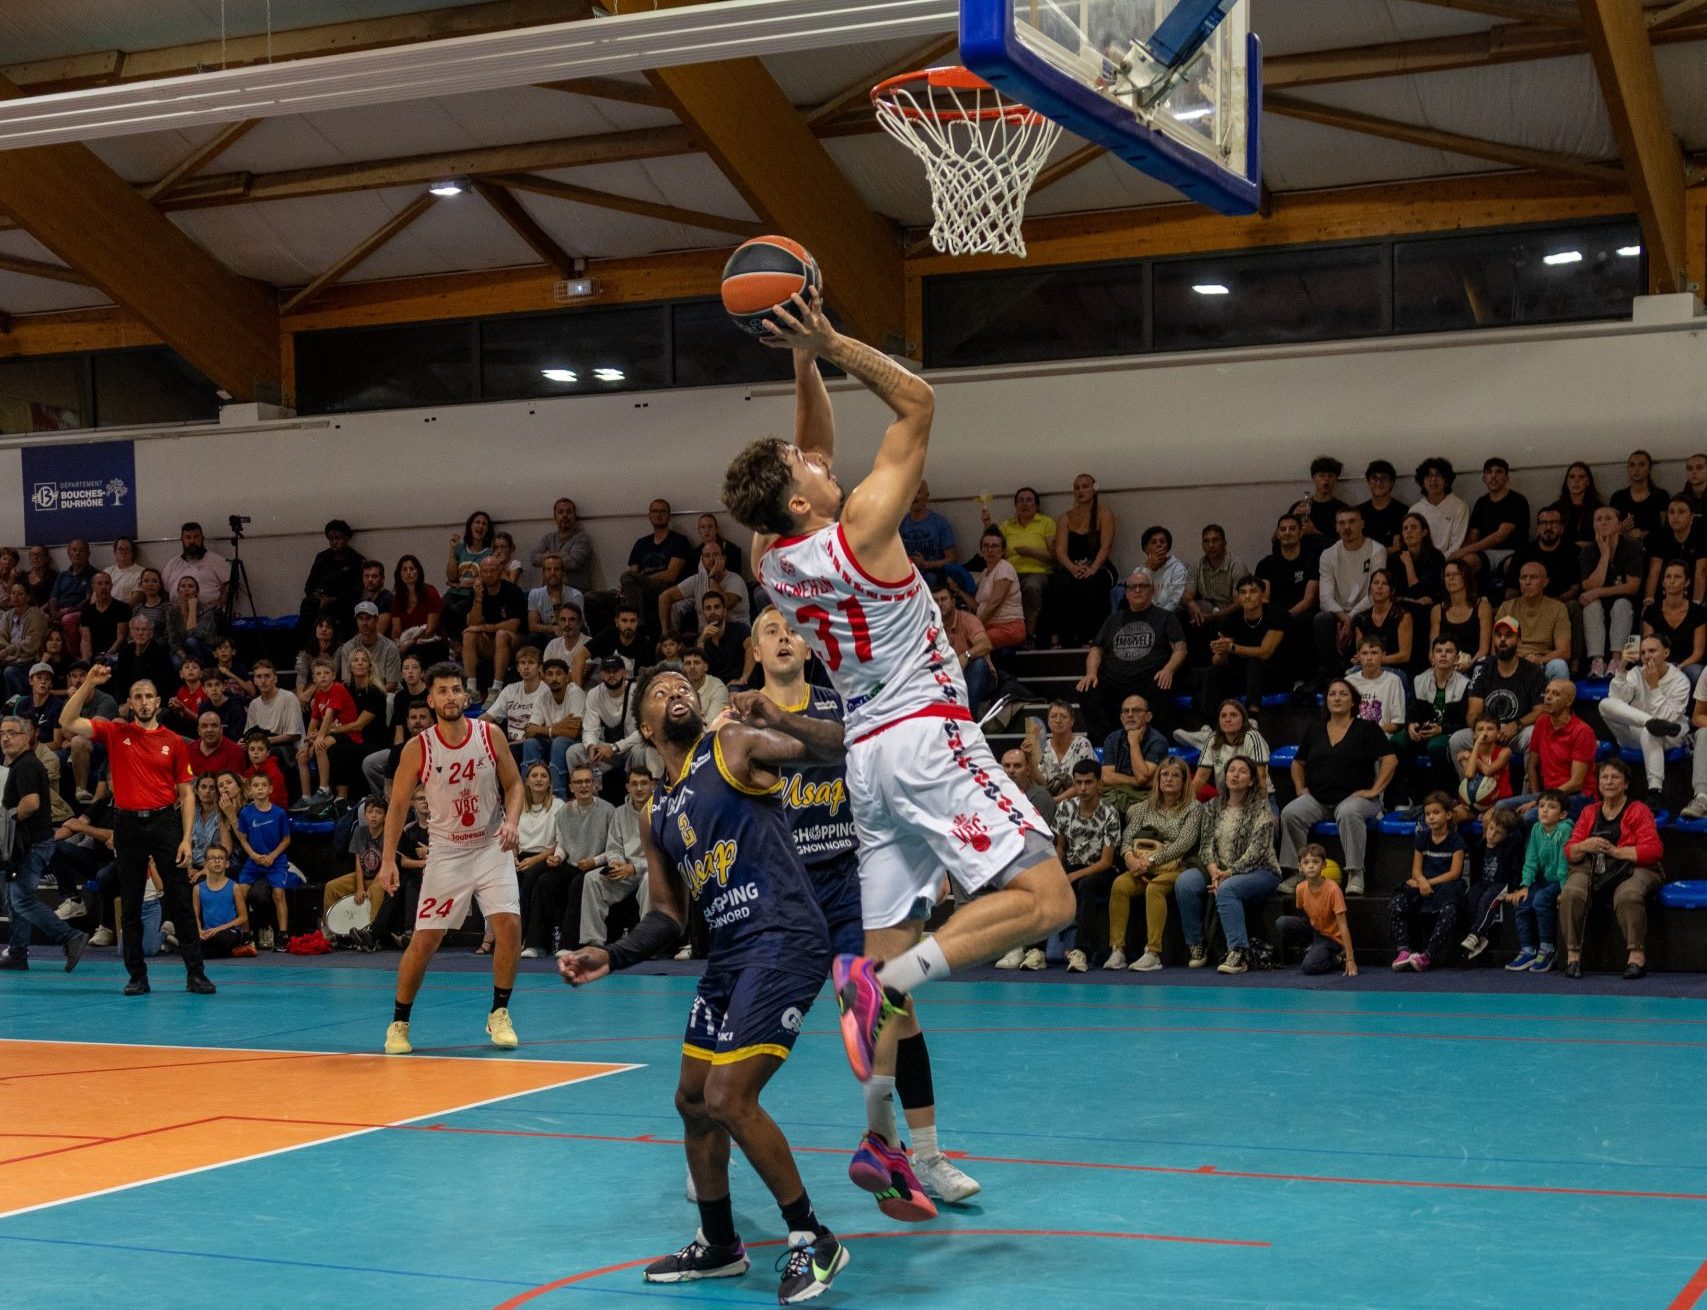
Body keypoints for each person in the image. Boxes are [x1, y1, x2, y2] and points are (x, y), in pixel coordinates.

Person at [728, 288, 1073, 1103]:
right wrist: (833, 340)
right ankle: (887, 983)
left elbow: (806, 446)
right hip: (926, 736)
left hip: (867, 762)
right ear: (803, 501)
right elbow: (918, 401)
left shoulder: (768, 563)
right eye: (809, 467)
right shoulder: (865, 532)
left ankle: (884, 1143)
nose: (821, 458)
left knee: (879, 950)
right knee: (1047, 898)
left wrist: (800, 358)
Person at [557, 664, 854, 1303]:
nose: (678, 693)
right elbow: (668, 917)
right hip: (727, 957)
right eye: (661, 692)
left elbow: (832, 748)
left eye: (684, 686)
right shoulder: (656, 813)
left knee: (726, 1097)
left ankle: (813, 1237)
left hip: (783, 940)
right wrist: (609, 955)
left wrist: (778, 717)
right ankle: (720, 1243)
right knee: (692, 1100)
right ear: (642, 726)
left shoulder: (733, 746)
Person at [377, 663, 524, 1053]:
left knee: (508, 924)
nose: (450, 697)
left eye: (456, 690)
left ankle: (499, 1013)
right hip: (447, 850)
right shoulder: (418, 748)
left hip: (492, 843)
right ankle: (399, 1022)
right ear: (431, 699)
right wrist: (388, 859)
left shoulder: (489, 735)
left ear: (466, 696)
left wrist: (512, 822)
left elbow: (514, 785)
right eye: (441, 691)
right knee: (426, 939)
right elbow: (396, 808)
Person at [58, 662, 214, 996]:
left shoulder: (173, 741)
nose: (144, 702)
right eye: (137, 697)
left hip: (165, 823)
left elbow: (186, 793)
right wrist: (88, 683)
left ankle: (196, 973)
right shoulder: (116, 733)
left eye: (149, 697)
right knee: (129, 903)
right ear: (130, 703)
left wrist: (187, 838)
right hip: (127, 823)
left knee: (180, 900)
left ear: (158, 702)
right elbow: (67, 721)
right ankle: (137, 976)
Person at [1278, 678, 1397, 896]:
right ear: (1327, 701)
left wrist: (1374, 790)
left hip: (1359, 798)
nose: (1337, 698)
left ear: (1353, 701)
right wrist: (1299, 788)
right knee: (1291, 812)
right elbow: (1297, 763)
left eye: (1343, 694)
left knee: (1348, 811)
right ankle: (1298, 872)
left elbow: (1390, 760)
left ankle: (1355, 873)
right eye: (1332, 694)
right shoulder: (1315, 730)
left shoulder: (1367, 728)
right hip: (1319, 798)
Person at [1559, 758, 1664, 980]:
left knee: (1628, 895)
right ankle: (1573, 957)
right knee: (1570, 893)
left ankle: (1636, 956)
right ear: (1598, 783)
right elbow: (1570, 850)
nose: (1609, 782)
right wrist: (1583, 845)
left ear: (1626, 784)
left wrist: (1616, 851)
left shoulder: (1638, 810)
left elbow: (1653, 850)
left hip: (1634, 866)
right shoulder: (1589, 812)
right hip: (1594, 865)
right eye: (1604, 777)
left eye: (1615, 778)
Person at [1175, 754, 1279, 974]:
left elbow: (1257, 852)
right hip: (1219, 868)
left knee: (1228, 889)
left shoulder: (1262, 809)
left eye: (1242, 771)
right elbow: (1205, 844)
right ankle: (1197, 945)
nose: (1235, 775)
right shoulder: (1212, 806)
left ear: (1251, 780)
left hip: (1260, 871)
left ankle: (1239, 953)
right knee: (1185, 882)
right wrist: (1213, 869)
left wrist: (1228, 874)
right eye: (1232, 770)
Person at [0, 715, 89, 972]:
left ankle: (69, 937)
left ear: (26, 737)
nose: (5, 738)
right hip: (26, 844)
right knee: (13, 896)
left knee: (21, 899)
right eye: (2, 733)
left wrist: (7, 817)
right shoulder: (20, 764)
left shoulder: (25, 766)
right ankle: (17, 952)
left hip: (32, 844)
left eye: (12, 733)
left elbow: (31, 804)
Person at [1103, 754, 1202, 971]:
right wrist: (1129, 858)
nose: (1169, 779)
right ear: (1157, 780)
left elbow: (1184, 843)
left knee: (1154, 889)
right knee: (1119, 885)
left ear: (1185, 781)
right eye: (1164, 775)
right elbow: (1127, 836)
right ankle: (1117, 950)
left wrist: (1151, 860)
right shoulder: (1146, 806)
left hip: (1174, 866)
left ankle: (1153, 952)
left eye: (1175, 775)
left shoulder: (1193, 809)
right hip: (1140, 865)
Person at [1076, 571, 1187, 739]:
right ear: (1126, 593)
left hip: (1149, 680)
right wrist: (1091, 673)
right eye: (1132, 587)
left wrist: (1169, 670)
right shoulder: (1113, 619)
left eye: (1142, 586)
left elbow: (1180, 649)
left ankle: (1156, 741)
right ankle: (1105, 741)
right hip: (1114, 681)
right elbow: (1096, 649)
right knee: (1087, 689)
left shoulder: (1165, 617)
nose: (1137, 590)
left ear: (1152, 591)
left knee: (1163, 685)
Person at [1049, 759, 1123, 973]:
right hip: (1072, 865)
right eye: (1079, 782)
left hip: (1100, 870)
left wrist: (1073, 876)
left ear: (1099, 783)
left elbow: (1106, 861)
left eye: (1088, 782)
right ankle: (1032, 949)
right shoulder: (1065, 808)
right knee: (1044, 883)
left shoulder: (1110, 813)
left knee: (1086, 885)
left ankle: (1080, 951)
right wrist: (1055, 871)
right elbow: (1061, 847)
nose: (1082, 788)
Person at [1598, 633, 1690, 803]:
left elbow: (1666, 719)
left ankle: (1655, 790)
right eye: (1643, 652)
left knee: (1652, 731)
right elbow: (1617, 700)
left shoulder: (1680, 681)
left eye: (1652, 651)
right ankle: (1648, 721)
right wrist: (1622, 668)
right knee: (1604, 704)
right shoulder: (1636, 673)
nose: (1647, 656)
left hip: (1670, 735)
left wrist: (1654, 686)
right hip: (1637, 730)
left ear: (1666, 653)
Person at [1450, 617, 1547, 764]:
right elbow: (1473, 712)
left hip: (1517, 731)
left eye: (1509, 635)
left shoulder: (1533, 671)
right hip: (1486, 730)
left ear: (1519, 640)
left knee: (1533, 735)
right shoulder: (1482, 668)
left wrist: (1516, 725)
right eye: (1498, 635)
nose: (1502, 640)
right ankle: (1470, 787)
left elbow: (1540, 710)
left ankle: (1530, 788)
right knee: (1457, 740)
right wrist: (1485, 730)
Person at [1389, 792, 1466, 972]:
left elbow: (1454, 873)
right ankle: (1403, 951)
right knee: (1397, 902)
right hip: (1423, 884)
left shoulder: (1456, 841)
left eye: (1436, 812)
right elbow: (1416, 869)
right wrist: (1422, 880)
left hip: (1445, 886)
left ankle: (1427, 955)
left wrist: (1428, 882)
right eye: (1428, 813)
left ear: (1448, 815)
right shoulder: (1422, 837)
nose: (1431, 817)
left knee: (1450, 910)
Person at [580, 767, 655, 950]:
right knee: (592, 879)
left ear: (653, 785)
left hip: (652, 870)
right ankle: (593, 942)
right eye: (634, 784)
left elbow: (664, 855)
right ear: (627, 787)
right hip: (625, 871)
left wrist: (634, 867)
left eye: (644, 783)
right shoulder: (620, 813)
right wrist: (616, 862)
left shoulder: (662, 810)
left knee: (649, 880)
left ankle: (650, 944)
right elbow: (613, 847)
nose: (639, 788)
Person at [1503, 678, 1599, 818]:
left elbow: (1576, 783)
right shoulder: (1541, 722)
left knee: (1529, 816)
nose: (1548, 697)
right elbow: (1532, 766)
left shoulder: (1582, 731)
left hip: (1578, 796)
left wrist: (1540, 801)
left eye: (1555, 694)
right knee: (1501, 808)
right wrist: (1537, 796)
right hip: (1549, 795)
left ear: (1569, 701)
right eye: (1547, 692)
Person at [1043, 474, 1119, 648]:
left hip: (1099, 566)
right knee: (1060, 583)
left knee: (1090, 583)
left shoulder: (1104, 513)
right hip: (1073, 566)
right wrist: (1072, 568)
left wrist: (1092, 568)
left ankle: (1091, 636)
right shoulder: (1065, 517)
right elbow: (1060, 551)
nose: (1080, 491)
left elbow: (1106, 546)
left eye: (1085, 486)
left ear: (1094, 488)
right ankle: (1060, 636)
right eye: (1076, 487)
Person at [1314, 507, 1387, 680]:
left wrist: (1351, 618)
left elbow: (1375, 593)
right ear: (1336, 528)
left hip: (1365, 609)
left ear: (1362, 524)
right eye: (1342, 523)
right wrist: (1343, 618)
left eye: (1352, 521)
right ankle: (1331, 678)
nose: (1347, 527)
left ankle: (1362, 674)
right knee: (1321, 619)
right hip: (1338, 613)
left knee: (1369, 616)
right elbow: (1325, 598)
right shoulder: (1328, 554)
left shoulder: (1377, 550)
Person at [1199, 574, 1285, 716]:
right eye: (1243, 592)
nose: (1247, 596)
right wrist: (1220, 651)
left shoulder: (1276, 614)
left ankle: (1253, 719)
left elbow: (1265, 652)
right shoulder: (1232, 618)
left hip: (1271, 674)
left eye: (1253, 591)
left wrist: (1232, 648)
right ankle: (1206, 726)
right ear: (1238, 597)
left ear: (1262, 595)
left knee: (1254, 661)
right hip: (1241, 675)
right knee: (1213, 672)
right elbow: (1217, 660)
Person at [1505, 789, 1571, 972]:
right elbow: (1531, 860)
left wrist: (1564, 890)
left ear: (1563, 814)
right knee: (1523, 902)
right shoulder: (1536, 829)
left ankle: (1547, 948)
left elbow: (1564, 864)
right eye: (1541, 806)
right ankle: (1527, 949)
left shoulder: (1565, 829)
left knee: (1541, 900)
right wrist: (1525, 885)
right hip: (1542, 880)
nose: (1544, 810)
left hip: (1560, 881)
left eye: (1551, 807)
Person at [1578, 505, 1645, 678]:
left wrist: (1598, 592)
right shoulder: (1588, 551)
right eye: (1598, 519)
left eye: (1608, 518)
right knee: (1591, 606)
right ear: (1593, 525)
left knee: (1621, 604)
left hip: (1627, 603)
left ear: (1619, 524)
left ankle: (1616, 661)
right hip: (1600, 604)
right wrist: (1605, 555)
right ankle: (1597, 662)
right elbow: (1589, 587)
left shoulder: (1632, 547)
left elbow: (1632, 586)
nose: (1603, 522)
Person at [980, 486, 1055, 638]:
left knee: (1031, 586)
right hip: (1010, 572)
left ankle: (1029, 634)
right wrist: (987, 525)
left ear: (1037, 505)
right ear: (1015, 505)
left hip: (1038, 572)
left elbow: (1053, 555)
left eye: (1029, 500)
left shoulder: (1046, 523)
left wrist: (1030, 552)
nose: (1025, 504)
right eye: (1020, 501)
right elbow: (993, 545)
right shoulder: (1007, 525)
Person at [1255, 513, 1319, 685]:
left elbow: (1309, 599)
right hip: (1274, 613)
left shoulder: (1312, 560)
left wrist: (1286, 616)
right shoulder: (1266, 564)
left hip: (1301, 613)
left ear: (1300, 533)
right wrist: (1276, 616)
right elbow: (1264, 597)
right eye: (1283, 529)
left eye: (1292, 528)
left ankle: (1301, 680)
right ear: (1278, 534)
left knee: (1299, 623)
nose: (1287, 532)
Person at [1274, 843, 1357, 976]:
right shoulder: (1300, 888)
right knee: (1282, 922)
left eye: (1315, 862)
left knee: (1309, 967)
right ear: (1300, 867)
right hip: (1315, 931)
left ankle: (1336, 958)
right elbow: (1305, 914)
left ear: (1324, 865)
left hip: (1332, 938)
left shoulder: (1333, 890)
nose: (1311, 866)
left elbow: (1343, 926)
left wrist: (1350, 959)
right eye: (1306, 862)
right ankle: (1312, 948)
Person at [235, 772, 295, 948]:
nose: (259, 789)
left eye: (263, 785)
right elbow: (243, 839)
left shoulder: (279, 813)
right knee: (240, 892)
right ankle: (246, 934)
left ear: (270, 789)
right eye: (256, 785)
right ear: (250, 789)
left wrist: (272, 856)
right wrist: (253, 855)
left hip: (276, 861)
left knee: (278, 894)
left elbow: (286, 839)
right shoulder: (246, 813)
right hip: (254, 861)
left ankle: (283, 934)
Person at [1459, 804, 1525, 960]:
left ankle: (1476, 934)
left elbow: (1516, 870)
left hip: (1501, 884)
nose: (1492, 834)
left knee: (1487, 901)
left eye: (1498, 832)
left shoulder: (1511, 847)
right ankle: (1477, 937)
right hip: (1483, 883)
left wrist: (1515, 888)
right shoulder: (1480, 846)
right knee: (1472, 898)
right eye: (1491, 828)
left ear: (1507, 836)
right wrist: (1475, 885)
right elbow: (1476, 870)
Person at [461, 555, 528, 701]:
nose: (489, 574)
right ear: (480, 574)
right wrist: (478, 599)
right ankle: (471, 688)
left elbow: (514, 625)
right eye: (485, 571)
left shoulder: (512, 590)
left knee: (501, 634)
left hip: (515, 642)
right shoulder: (478, 591)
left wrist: (483, 628)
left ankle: (496, 688)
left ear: (501, 571)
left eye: (493, 570)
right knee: (469, 636)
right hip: (490, 642)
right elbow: (472, 624)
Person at [621, 498, 695, 628]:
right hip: (639, 586)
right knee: (593, 598)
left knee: (627, 577)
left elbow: (671, 574)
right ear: (649, 516)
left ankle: (638, 626)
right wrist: (628, 586)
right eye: (654, 511)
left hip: (666, 588)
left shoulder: (679, 541)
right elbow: (633, 572)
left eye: (662, 511)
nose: (658, 514)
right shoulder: (641, 543)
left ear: (669, 515)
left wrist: (640, 579)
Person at [1455, 456, 1530, 579]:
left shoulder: (1517, 500)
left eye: (1499, 472)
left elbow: (1499, 536)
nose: (1493, 476)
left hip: (1511, 553)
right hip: (1485, 554)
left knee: (1512, 566)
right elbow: (1473, 536)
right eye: (1489, 472)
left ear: (1506, 477)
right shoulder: (1481, 502)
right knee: (1465, 563)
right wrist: (1462, 554)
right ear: (1484, 478)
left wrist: (1463, 551)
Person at [1494, 561, 1570, 680]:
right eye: (1523, 577)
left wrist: (1539, 660)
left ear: (1545, 582)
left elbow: (1564, 651)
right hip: (1513, 662)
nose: (1527, 582)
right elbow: (1496, 647)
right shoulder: (1507, 607)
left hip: (1544, 662)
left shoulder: (1558, 608)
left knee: (1559, 666)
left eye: (1533, 577)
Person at [899, 479, 973, 595]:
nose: (914, 497)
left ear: (927, 496)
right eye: (910, 492)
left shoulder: (940, 523)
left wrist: (926, 564)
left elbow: (952, 558)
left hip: (934, 580)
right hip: (907, 578)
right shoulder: (900, 524)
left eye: (918, 492)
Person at [933, 583, 996, 717]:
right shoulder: (931, 626)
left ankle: (969, 716)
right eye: (935, 601)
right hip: (948, 679)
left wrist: (966, 655)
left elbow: (986, 644)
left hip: (978, 679)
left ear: (953, 601)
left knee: (978, 663)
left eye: (943, 599)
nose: (940, 604)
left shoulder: (967, 619)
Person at [1189, 699, 1272, 800]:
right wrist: (1184, 806)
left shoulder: (1252, 737)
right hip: (1226, 800)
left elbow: (1261, 777)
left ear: (1243, 719)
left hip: (1257, 798)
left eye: (1233, 715)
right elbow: (1200, 777)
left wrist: (1260, 809)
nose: (1227, 719)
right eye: (1223, 716)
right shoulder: (1212, 739)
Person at [1099, 693, 1168, 813]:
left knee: (1134, 812)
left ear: (1148, 716)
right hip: (1115, 792)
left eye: (1136, 710)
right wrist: (1134, 781)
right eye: (1126, 711)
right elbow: (1106, 777)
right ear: (1121, 718)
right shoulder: (1112, 738)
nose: (1130, 715)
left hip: (1145, 796)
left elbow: (1141, 776)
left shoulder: (1158, 741)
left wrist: (1134, 743)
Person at [1641, 560, 1707, 684]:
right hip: (1659, 663)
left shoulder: (1698, 613)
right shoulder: (1651, 611)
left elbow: (1698, 652)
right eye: (1668, 577)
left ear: (1687, 582)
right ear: (1663, 582)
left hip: (1687, 665)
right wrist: (1663, 668)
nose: (1672, 581)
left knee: (1698, 673)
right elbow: (1648, 646)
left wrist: (1678, 668)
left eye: (1677, 577)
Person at [297, 519, 364, 640]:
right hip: (319, 601)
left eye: (338, 538)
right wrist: (318, 596)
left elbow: (356, 591)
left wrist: (332, 600)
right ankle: (306, 645)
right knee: (307, 604)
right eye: (331, 539)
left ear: (347, 538)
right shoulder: (322, 557)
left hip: (342, 603)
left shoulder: (356, 560)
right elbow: (309, 585)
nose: (334, 542)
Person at [1024, 700, 1095, 804]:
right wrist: (1029, 757)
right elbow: (1041, 782)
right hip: (1049, 799)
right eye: (1053, 716)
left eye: (1063, 716)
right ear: (1048, 722)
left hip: (1077, 800)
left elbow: (1083, 782)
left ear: (1072, 721)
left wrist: (1055, 801)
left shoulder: (1082, 744)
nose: (1058, 720)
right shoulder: (1043, 746)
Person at [1508, 505, 1582, 604]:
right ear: (1537, 528)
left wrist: (1548, 606)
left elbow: (1575, 589)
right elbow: (1511, 589)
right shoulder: (1523, 552)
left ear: (1561, 528)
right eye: (1543, 523)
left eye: (1553, 523)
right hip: (1527, 605)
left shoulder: (1573, 552)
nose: (1548, 527)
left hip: (1560, 605)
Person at [968, 529, 1025, 654]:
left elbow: (995, 603)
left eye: (994, 546)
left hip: (1009, 627)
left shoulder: (1004, 568)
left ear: (1003, 550)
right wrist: (958, 590)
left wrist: (976, 628)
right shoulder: (985, 573)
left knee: (970, 641)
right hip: (990, 626)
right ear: (981, 550)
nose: (990, 550)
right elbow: (979, 606)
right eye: (986, 546)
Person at [191, 844, 253, 958]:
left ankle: (201, 951)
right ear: (205, 864)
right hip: (208, 933)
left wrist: (218, 929)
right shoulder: (198, 889)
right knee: (193, 936)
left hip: (228, 931)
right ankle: (211, 950)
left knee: (222, 939)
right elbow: (195, 915)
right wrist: (199, 931)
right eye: (212, 858)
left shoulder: (234, 887)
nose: (217, 861)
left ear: (227, 863)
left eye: (220, 858)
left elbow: (243, 917)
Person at [1643, 497, 1706, 603]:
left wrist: (1696, 606)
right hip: (1667, 590)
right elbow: (1654, 571)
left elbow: (1701, 573)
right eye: (1671, 512)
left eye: (1681, 512)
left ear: (1692, 516)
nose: (1675, 516)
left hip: (1693, 589)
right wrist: (1648, 600)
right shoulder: (1660, 536)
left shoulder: (1702, 536)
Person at [1391, 513, 1445, 633]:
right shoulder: (1395, 559)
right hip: (1401, 607)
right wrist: (1413, 600)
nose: (1408, 531)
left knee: (1422, 611)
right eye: (1405, 528)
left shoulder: (1436, 557)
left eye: (1414, 527)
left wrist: (1409, 565)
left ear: (1424, 532)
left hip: (1428, 610)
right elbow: (1395, 594)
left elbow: (1420, 592)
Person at [1345, 637, 1407, 737]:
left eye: (1374, 653)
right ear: (1359, 656)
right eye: (1364, 653)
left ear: (1383, 655)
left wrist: (1372, 732)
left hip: (1381, 736)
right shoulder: (1348, 681)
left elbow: (1397, 723)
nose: (1369, 658)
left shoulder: (1394, 681)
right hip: (1353, 736)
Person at [391, 554, 446, 664]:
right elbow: (396, 630)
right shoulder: (398, 598)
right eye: (404, 569)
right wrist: (397, 643)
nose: (408, 572)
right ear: (399, 574)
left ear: (418, 572)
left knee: (412, 652)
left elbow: (431, 630)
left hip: (431, 642)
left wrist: (410, 643)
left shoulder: (430, 593)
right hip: (406, 641)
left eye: (412, 569)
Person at [1455, 714, 1513, 819]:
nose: (1485, 733)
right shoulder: (1467, 754)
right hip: (1475, 803)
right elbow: (1469, 774)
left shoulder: (1504, 752)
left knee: (1487, 818)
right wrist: (1476, 745)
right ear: (1474, 735)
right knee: (1453, 815)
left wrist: (1470, 757)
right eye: (1480, 730)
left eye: (1490, 729)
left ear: (1498, 733)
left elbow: (1488, 771)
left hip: (1499, 803)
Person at [531, 497, 595, 591]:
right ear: (555, 517)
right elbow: (533, 558)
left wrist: (547, 559)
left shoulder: (582, 538)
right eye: (560, 512)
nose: (565, 515)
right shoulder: (548, 538)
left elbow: (574, 563)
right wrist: (562, 555)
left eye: (569, 512)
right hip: (549, 591)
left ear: (575, 516)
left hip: (575, 591)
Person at [161, 522, 230, 610]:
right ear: (182, 540)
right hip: (177, 613)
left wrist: (221, 601)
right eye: (188, 537)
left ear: (202, 539)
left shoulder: (216, 560)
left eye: (196, 537)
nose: (192, 541)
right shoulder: (173, 563)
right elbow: (163, 590)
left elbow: (231, 583)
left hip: (207, 613)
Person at [1352, 568, 1412, 669]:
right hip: (1368, 667)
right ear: (1370, 588)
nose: (1379, 587)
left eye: (1384, 583)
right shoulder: (1360, 618)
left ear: (1391, 590)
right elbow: (1360, 652)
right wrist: (1359, 659)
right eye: (1375, 583)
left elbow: (1405, 655)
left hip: (1394, 668)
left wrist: (1375, 660)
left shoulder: (1403, 616)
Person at [0, 581, 49, 699]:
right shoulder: (7, 615)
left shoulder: (36, 615)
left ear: (28, 597)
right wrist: (7, 652)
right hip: (9, 658)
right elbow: (1, 637)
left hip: (29, 660)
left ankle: (18, 705)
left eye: (20, 594)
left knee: (10, 672)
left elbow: (31, 644)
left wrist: (7, 651)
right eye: (13, 593)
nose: (15, 596)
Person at [337, 602, 401, 692]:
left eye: (368, 618)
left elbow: (392, 684)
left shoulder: (390, 648)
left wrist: (370, 697)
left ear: (376, 619)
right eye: (360, 619)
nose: (364, 623)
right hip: (358, 692)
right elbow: (347, 681)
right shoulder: (348, 647)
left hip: (385, 693)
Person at [1611, 449, 1668, 542]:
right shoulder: (1618, 497)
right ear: (1628, 468)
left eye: (1641, 465)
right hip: (1625, 547)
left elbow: (1665, 529)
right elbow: (1609, 528)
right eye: (1632, 465)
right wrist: (1621, 529)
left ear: (1649, 469)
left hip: (1653, 546)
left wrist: (1644, 534)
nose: (1636, 469)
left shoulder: (1661, 496)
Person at [78, 569, 130, 663]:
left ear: (111, 586)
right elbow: (86, 639)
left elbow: (121, 638)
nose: (103, 587)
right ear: (93, 587)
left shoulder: (122, 608)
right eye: (99, 584)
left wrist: (106, 656)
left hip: (114, 654)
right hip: (94, 654)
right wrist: (86, 660)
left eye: (107, 583)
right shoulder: (87, 610)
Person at [1355, 459, 1407, 551]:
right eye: (1374, 478)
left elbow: (1399, 547)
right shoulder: (1358, 512)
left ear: (1392, 483)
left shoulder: (1403, 511)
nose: (1378, 483)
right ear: (1368, 482)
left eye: (1383, 478)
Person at [1134, 526, 1188, 612]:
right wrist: (1148, 569)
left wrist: (1158, 618)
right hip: (1143, 614)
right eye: (1153, 542)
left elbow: (1175, 600)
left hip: (1167, 616)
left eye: (1162, 542)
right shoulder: (1139, 571)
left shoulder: (1177, 568)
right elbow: (1137, 598)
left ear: (1168, 547)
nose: (1159, 545)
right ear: (1145, 548)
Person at [1555, 461, 1602, 547]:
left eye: (1581, 477)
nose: (1576, 481)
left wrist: (1591, 545)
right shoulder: (1556, 508)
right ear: (1566, 482)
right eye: (1572, 477)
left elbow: (1605, 537)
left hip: (1589, 554)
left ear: (1588, 482)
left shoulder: (1599, 509)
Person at [1302, 455, 1351, 537]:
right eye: (1322, 475)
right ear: (1314, 478)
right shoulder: (1301, 507)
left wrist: (1315, 532)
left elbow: (1346, 543)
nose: (1326, 479)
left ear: (1336, 479)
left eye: (1331, 476)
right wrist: (1293, 515)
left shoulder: (1343, 510)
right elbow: (1276, 539)